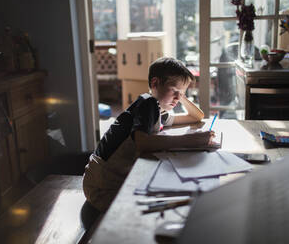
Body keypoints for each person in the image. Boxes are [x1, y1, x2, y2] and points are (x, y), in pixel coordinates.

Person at [83, 57, 216, 212]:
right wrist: (191, 140)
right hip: (102, 186)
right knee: (155, 208)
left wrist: (180, 93)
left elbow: (196, 116)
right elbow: (142, 142)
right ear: (155, 83)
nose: (178, 98)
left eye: (181, 93)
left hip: (111, 179)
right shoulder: (148, 104)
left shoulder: (158, 110)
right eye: (174, 91)